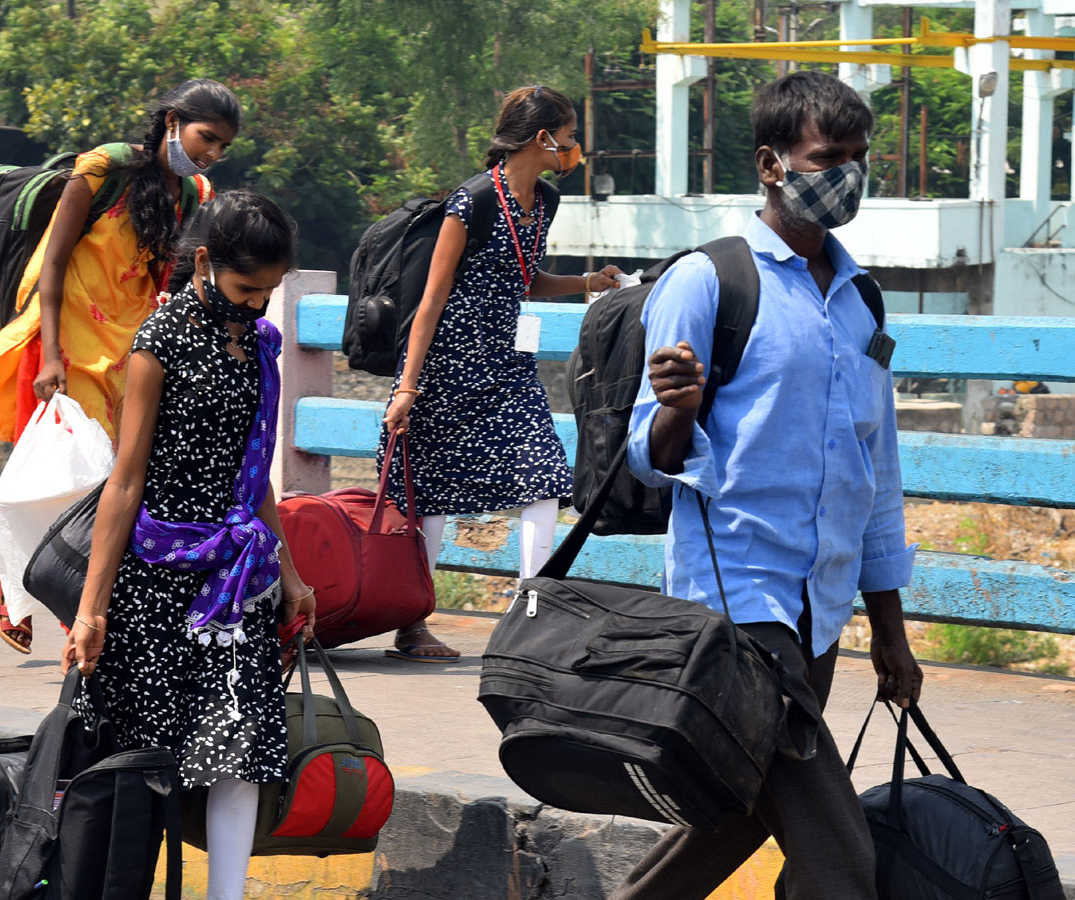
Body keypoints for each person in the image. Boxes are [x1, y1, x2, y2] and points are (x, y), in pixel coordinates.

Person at [615, 71, 923, 900]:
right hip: (737, 598)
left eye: (859, 159)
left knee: (739, 809)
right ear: (771, 163)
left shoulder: (862, 301)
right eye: (828, 157)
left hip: (821, 604)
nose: (847, 176)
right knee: (840, 859)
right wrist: (678, 410)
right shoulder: (709, 281)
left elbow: (876, 470)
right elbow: (649, 452)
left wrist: (890, 630)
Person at [62, 190, 314, 900]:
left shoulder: (261, 343)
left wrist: (290, 575)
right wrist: (92, 610)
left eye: (268, 291)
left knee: (240, 750)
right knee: (151, 756)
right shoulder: (158, 342)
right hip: (156, 579)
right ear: (203, 263)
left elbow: (255, 474)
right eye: (244, 289)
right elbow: (126, 480)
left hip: (238, 580)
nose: (256, 305)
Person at [0, 78, 241, 654]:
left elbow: (173, 279)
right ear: (171, 121)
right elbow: (56, 258)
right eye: (205, 137)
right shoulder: (104, 168)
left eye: (221, 146)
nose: (209, 153)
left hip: (131, 349)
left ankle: (49, 598)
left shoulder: (195, 193)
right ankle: (32, 596)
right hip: (68, 343)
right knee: (76, 478)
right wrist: (53, 355)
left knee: (111, 481)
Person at [379, 85, 621, 661]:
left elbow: (523, 277)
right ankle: (412, 626)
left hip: (504, 361)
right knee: (431, 494)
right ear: (543, 138)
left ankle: (531, 620)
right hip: (444, 363)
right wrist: (409, 384)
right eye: (568, 135)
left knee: (543, 474)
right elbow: (432, 300)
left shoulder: (546, 202)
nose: (573, 147)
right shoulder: (472, 202)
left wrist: (587, 284)